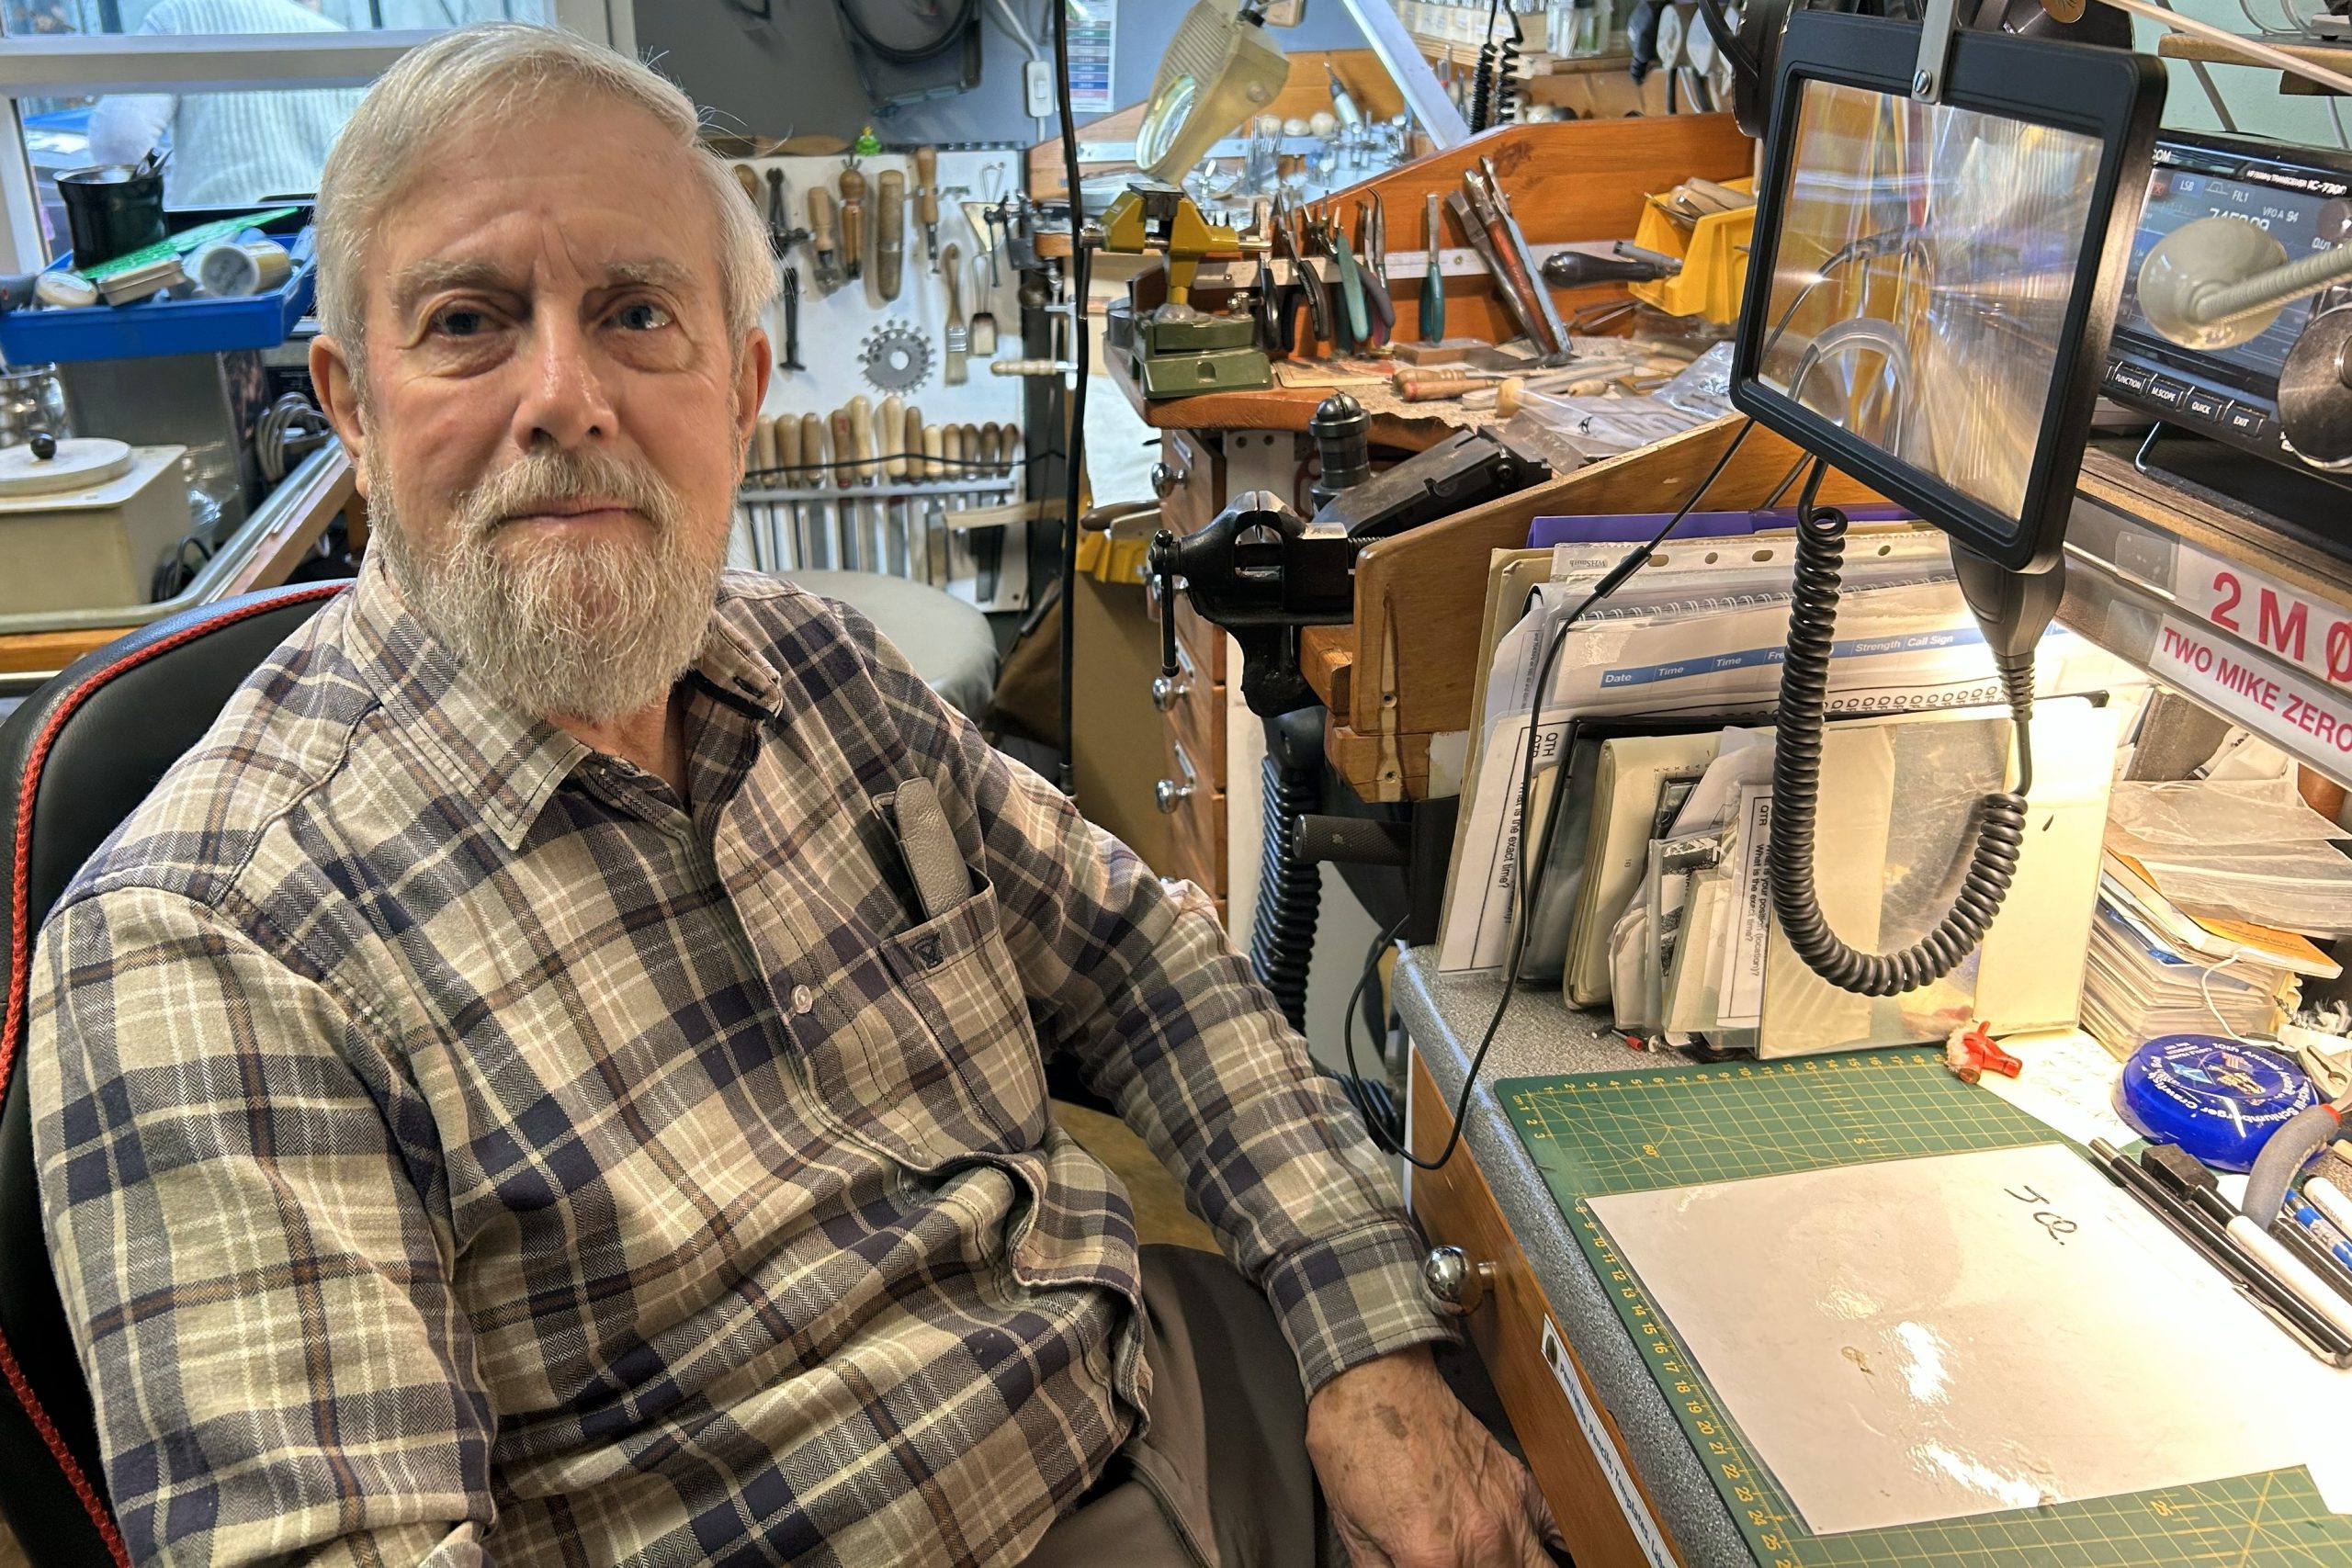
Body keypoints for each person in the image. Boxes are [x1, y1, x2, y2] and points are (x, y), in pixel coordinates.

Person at [28, 23, 1563, 1568]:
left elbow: (1141, 962)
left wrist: (1364, 1334)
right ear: (350, 402)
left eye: (637, 314)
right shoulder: (208, 946)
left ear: (744, 387)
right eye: (469, 321)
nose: (565, 397)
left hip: (1155, 1393)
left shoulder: (816, 672)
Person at [85, 0, 366, 208]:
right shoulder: (335, 37)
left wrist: (176, 195)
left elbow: (118, 137)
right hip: (318, 238)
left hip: (216, 239)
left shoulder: (183, 17)